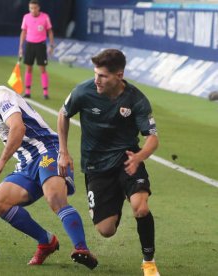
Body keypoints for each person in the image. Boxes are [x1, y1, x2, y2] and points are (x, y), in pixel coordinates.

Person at [0, 64, 98, 269]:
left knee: (55, 197)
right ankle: (46, 241)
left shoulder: (0, 96)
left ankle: (81, 248)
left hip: (47, 149)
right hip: (27, 161)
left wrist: (1, 161)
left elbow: (18, 127)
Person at [57, 49, 160, 276]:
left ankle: (149, 262)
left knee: (141, 208)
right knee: (106, 230)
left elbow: (152, 137)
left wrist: (139, 156)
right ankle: (119, 196)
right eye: (95, 74)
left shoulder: (136, 99)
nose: (97, 80)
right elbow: (63, 114)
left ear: (119, 75)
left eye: (102, 76)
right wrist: (63, 152)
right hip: (96, 166)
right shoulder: (83, 91)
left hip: (127, 160)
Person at [19, 0, 55, 100]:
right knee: (28, 68)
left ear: (38, 8)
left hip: (41, 45)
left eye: (35, 8)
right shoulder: (26, 17)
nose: (33, 10)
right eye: (31, 8)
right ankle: (27, 92)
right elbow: (23, 32)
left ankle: (45, 92)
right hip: (29, 45)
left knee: (42, 69)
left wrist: (51, 45)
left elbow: (50, 31)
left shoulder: (45, 17)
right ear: (29, 8)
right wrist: (21, 47)